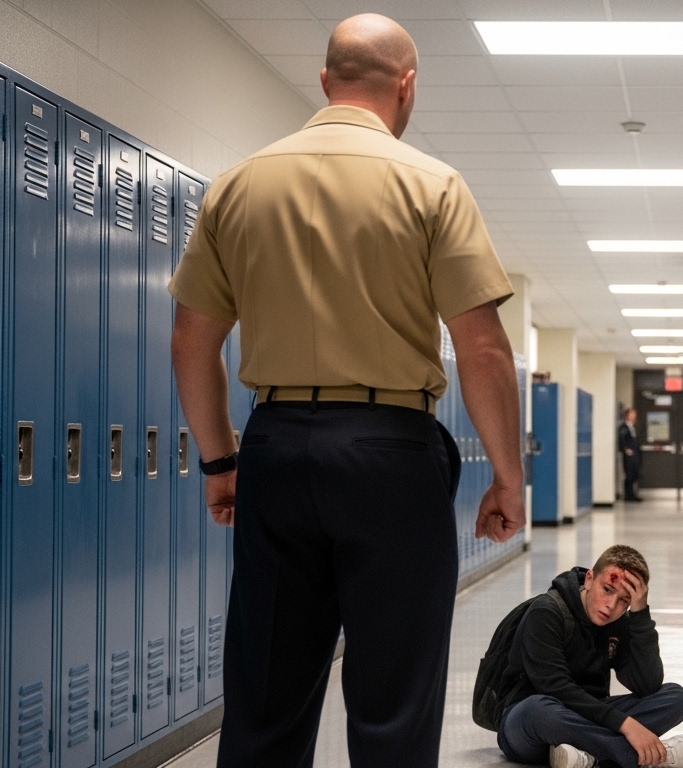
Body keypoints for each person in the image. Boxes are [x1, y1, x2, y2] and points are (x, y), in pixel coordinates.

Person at [168, 14, 524, 766]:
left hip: (275, 451)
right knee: (393, 705)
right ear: (407, 86)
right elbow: (484, 349)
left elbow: (191, 342)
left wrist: (220, 462)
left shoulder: (239, 184)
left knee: (265, 699)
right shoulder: (432, 184)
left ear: (326, 80)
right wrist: (507, 476)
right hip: (390, 458)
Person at [496, 545, 683, 768]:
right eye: (607, 589)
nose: (611, 605)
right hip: (532, 725)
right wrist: (626, 725)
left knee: (675, 697)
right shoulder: (547, 611)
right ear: (589, 579)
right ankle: (643, 757)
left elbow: (647, 685)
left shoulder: (617, 623)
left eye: (624, 600)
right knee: (538, 710)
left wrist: (640, 614)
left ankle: (588, 755)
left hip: (591, 716)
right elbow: (555, 687)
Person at [619, 408, 642, 501]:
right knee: (629, 474)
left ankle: (632, 493)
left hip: (636, 454)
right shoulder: (623, 427)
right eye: (632, 414)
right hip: (629, 455)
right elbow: (621, 440)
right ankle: (628, 495)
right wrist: (626, 450)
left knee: (635, 474)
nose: (634, 416)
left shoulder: (633, 427)